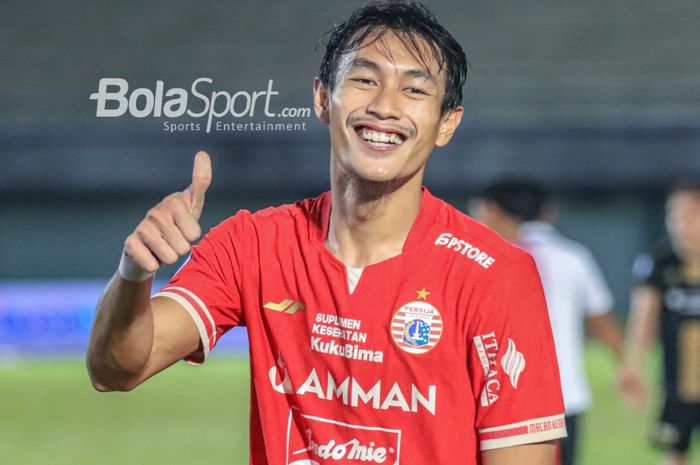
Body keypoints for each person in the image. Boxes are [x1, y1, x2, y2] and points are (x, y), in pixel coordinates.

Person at [86, 2, 567, 463]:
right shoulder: (252, 245)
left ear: (446, 124)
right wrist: (134, 273)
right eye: (364, 80)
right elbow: (116, 369)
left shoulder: (496, 273)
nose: (384, 106)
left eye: (415, 91)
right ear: (322, 98)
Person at [472, 180, 625, 465]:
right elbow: (601, 318)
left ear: (493, 211)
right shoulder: (574, 256)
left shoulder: (482, 256)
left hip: (499, 395)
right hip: (565, 394)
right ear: (547, 212)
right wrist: (625, 364)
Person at [620, 181, 700, 465]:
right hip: (678, 384)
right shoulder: (660, 262)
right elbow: (644, 317)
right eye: (673, 216)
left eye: (689, 215)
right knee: (675, 452)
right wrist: (633, 364)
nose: (679, 225)